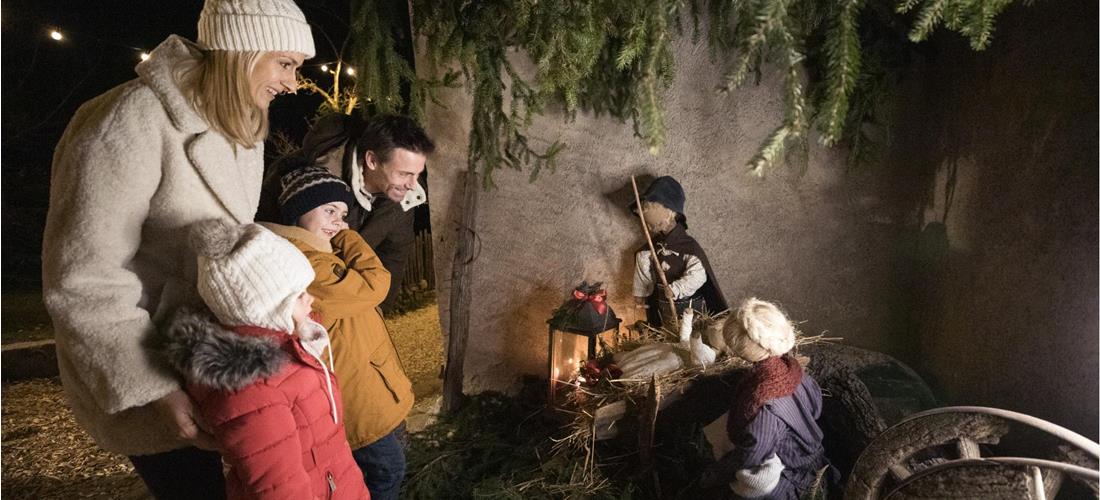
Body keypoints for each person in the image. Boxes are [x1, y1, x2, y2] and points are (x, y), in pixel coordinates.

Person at [40, 0, 314, 497]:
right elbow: (84, 277)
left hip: (220, 368)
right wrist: (152, 388)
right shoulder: (129, 120)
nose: (294, 84)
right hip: (157, 369)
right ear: (243, 50)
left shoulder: (242, 131)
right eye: (287, 63)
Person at [157, 219, 368, 499]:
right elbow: (278, 489)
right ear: (267, 307)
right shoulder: (252, 389)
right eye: (299, 294)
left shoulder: (291, 351)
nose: (311, 300)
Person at [262, 166, 415, 500]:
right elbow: (375, 285)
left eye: (344, 214)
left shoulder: (319, 254)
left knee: (384, 468)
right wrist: (351, 236)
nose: (339, 222)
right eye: (329, 211)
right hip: (355, 398)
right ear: (297, 212)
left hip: (367, 387)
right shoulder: (304, 262)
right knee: (385, 472)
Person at [257, 113, 436, 313]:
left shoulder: (401, 196)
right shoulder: (299, 179)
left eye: (417, 174)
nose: (413, 185)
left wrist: (377, 317)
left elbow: (393, 258)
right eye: (404, 173)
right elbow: (268, 244)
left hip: (354, 304)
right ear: (372, 160)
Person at [707, 298, 830, 499]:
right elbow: (816, 407)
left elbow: (753, 453)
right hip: (811, 448)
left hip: (792, 468)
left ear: (742, 351)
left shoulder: (763, 405)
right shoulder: (793, 369)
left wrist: (720, 471)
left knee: (746, 486)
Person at [631, 176, 728, 327]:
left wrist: (676, 289)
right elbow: (643, 272)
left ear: (670, 213)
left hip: (690, 308)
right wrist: (641, 293)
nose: (650, 228)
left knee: (690, 334)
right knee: (668, 333)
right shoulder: (651, 248)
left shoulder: (689, 248)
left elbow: (698, 275)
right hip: (664, 309)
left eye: (655, 222)